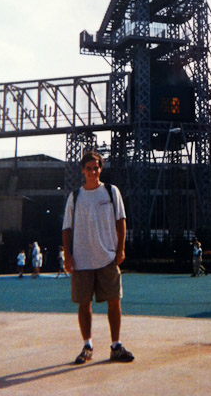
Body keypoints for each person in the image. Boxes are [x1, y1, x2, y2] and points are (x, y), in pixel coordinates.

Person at [62, 151, 134, 364]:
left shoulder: (111, 192)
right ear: (83, 171)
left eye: (96, 168)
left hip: (107, 258)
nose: (93, 172)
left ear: (101, 169)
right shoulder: (75, 196)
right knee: (84, 304)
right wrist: (68, 256)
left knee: (115, 301)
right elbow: (66, 228)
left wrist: (120, 249)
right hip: (82, 260)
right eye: (89, 168)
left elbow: (121, 221)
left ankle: (116, 345)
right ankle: (87, 345)